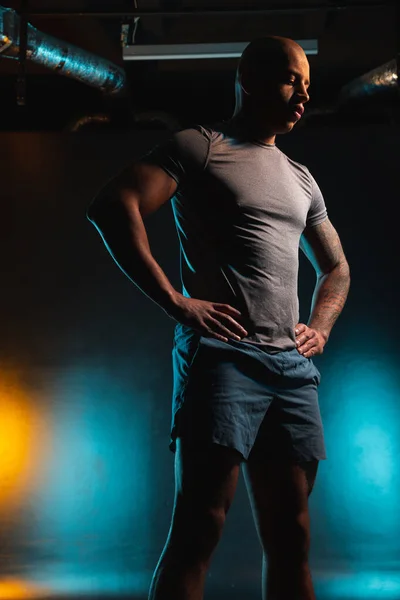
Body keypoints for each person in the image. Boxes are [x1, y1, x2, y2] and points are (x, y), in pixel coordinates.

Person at [87, 36, 350, 600]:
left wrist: (320, 326)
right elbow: (114, 205)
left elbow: (337, 269)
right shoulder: (200, 147)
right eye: (289, 78)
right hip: (225, 362)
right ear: (248, 80)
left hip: (291, 372)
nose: (303, 91)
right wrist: (176, 301)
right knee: (199, 529)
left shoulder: (302, 177)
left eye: (307, 82)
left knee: (292, 536)